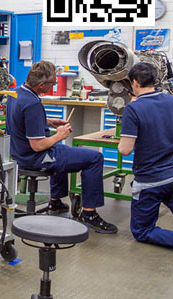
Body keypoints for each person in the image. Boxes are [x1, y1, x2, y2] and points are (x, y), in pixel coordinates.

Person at [6, 61, 117, 234]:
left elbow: (21, 120)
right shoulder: (32, 103)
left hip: (18, 153)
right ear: (41, 85)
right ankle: (89, 214)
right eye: (53, 83)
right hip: (35, 157)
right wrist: (60, 135)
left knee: (63, 152)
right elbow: (38, 145)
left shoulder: (17, 93)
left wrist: (48, 121)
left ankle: (55, 202)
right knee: (95, 158)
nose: (54, 85)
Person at [118, 62, 173, 254]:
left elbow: (125, 150)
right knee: (166, 191)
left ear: (134, 83)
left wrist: (130, 117)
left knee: (142, 231)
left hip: (150, 179)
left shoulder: (133, 109)